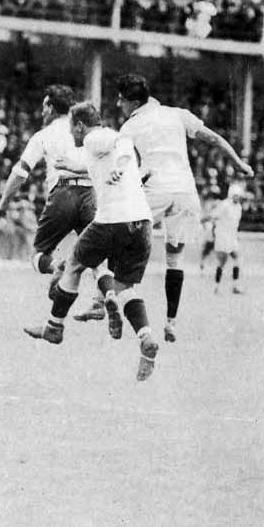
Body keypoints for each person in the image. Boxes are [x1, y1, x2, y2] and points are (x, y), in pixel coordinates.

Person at [21, 103, 162, 380]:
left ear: (80, 126)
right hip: (143, 224)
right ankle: (146, 338)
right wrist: (71, 166)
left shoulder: (94, 137)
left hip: (112, 221)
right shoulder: (99, 150)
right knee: (125, 286)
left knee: (74, 263)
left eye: (71, 127)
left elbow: (123, 142)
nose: (70, 134)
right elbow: (97, 165)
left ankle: (54, 327)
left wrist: (119, 166)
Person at [114, 73, 252, 342]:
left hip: (155, 190)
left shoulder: (129, 128)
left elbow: (126, 165)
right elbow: (215, 139)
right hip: (186, 195)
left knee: (115, 233)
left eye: (121, 100)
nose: (119, 105)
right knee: (175, 259)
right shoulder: (178, 114)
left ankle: (106, 297)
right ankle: (171, 322)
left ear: (134, 103)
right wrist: (238, 163)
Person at [0, 86, 97, 276]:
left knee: (38, 255)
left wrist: (2, 204)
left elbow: (20, 172)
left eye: (44, 107)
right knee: (97, 260)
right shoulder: (85, 130)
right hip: (91, 194)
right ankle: (107, 291)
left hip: (63, 194)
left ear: (50, 108)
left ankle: (58, 268)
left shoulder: (43, 135)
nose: (42, 112)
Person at [205, 183, 245, 294]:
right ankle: (216, 286)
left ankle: (235, 286)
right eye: (236, 195)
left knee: (237, 259)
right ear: (231, 195)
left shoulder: (239, 207)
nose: (238, 198)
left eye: (239, 196)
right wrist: (203, 220)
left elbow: (235, 224)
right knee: (222, 262)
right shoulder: (224, 205)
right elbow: (213, 215)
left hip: (232, 237)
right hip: (223, 237)